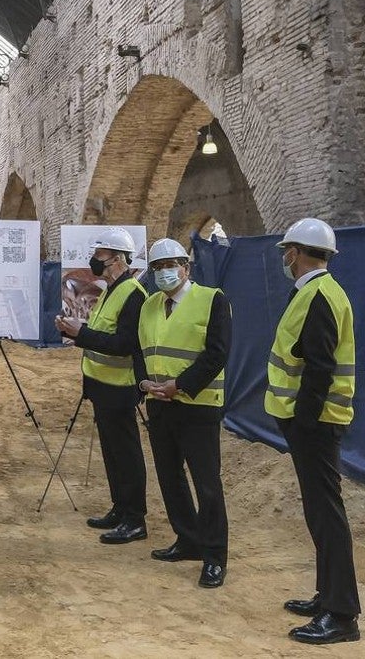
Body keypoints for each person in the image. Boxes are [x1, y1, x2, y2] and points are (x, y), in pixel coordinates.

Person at [267, 218, 361, 644]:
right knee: (319, 513)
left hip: (316, 424)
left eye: (287, 250)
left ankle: (342, 615)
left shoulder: (319, 296)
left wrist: (302, 422)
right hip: (313, 423)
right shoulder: (316, 292)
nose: (285, 257)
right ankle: (327, 596)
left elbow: (320, 368)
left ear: (298, 252)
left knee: (327, 515)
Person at [137, 239, 232, 589]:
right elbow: (140, 349)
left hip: (198, 404)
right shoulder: (149, 306)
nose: (165, 272)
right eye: (158, 267)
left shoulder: (211, 300)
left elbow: (217, 354)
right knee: (169, 476)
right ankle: (187, 538)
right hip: (159, 405)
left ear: (186, 267)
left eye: (171, 265)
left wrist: (180, 385)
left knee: (206, 483)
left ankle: (214, 557)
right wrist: (142, 383)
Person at [54, 227, 150, 544]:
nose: (94, 260)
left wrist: (81, 334)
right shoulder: (111, 289)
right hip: (102, 387)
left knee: (127, 454)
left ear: (118, 258)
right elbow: (101, 334)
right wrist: (75, 331)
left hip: (120, 388)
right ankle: (120, 508)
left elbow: (124, 343)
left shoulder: (133, 294)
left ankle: (135, 519)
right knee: (112, 453)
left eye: (99, 254)